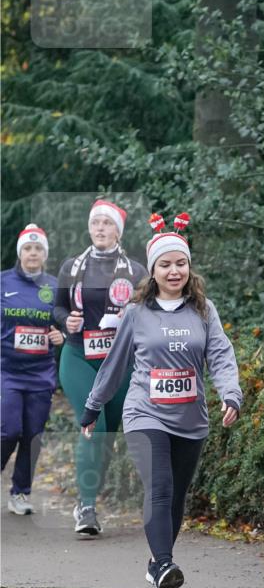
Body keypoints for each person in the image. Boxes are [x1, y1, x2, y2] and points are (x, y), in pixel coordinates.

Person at [79, 212, 242, 588]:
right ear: (153, 271)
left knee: (177, 496)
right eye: (166, 265)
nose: (174, 271)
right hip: (144, 412)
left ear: (189, 267)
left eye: (181, 263)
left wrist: (230, 393)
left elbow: (220, 354)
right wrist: (93, 407)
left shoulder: (204, 310)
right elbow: (114, 363)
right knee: (160, 486)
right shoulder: (136, 313)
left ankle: (157, 565)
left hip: (191, 418)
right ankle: (166, 563)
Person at [53, 200, 148, 536]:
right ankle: (87, 507)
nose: (100, 229)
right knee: (93, 421)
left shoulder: (136, 271)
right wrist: (69, 321)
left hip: (120, 361)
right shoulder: (71, 268)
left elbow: (150, 314)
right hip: (79, 356)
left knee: (108, 431)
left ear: (118, 231)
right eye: (96, 224)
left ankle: (89, 497)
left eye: (107, 224)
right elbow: (57, 308)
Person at [1, 224, 63, 514]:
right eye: (28, 248)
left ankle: (21, 493)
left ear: (44, 254)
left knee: (32, 434)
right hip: (7, 370)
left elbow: (66, 325)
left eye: (38, 248)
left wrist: (61, 335)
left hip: (41, 372)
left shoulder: (54, 286)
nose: (33, 253)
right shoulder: (3, 282)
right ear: (20, 253)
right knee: (9, 430)